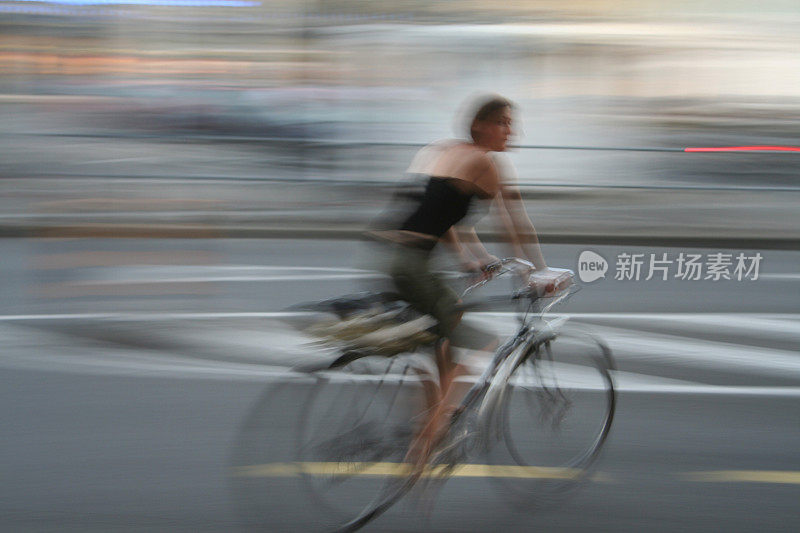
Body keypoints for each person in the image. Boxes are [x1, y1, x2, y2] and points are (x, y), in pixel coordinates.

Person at [369, 95, 550, 465]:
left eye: (510, 123)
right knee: (475, 346)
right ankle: (426, 446)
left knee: (438, 349)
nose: (510, 130)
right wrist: (537, 273)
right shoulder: (486, 162)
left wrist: (473, 259)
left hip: (392, 257)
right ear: (480, 125)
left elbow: (440, 216)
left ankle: (424, 428)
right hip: (412, 265)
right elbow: (514, 223)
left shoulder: (446, 150)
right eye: (502, 122)